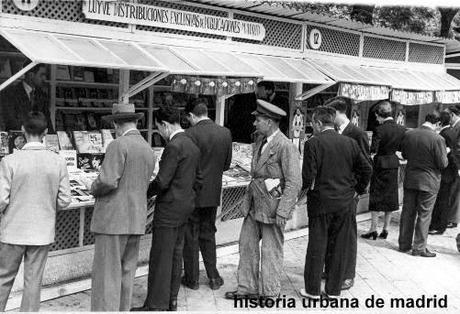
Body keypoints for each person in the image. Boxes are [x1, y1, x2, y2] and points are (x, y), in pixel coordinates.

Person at [225, 99, 301, 300]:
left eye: (258, 120)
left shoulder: (286, 147)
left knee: (270, 251)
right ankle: (246, 288)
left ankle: (270, 292)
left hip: (273, 209)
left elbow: (294, 182)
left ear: (269, 122)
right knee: (247, 247)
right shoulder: (259, 141)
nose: (254, 123)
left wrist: (284, 211)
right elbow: (256, 175)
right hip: (254, 206)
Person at [132, 106, 202, 311]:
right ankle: (171, 300)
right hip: (185, 208)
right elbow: (199, 180)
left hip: (169, 209)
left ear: (164, 125)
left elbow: (162, 181)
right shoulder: (191, 144)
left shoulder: (174, 146)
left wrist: (142, 192)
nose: (159, 134)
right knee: (175, 255)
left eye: (158, 129)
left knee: (161, 257)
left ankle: (155, 304)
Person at [0, 112, 70, 312]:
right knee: (33, 282)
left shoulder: (10, 161)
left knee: (3, 278)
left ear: (22, 130)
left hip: (12, 231)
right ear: (46, 132)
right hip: (42, 232)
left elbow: (1, 200)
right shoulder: (58, 161)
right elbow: (65, 200)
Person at [88, 103, 155, 311]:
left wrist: (92, 186)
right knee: (127, 273)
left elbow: (108, 181)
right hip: (136, 219)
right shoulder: (147, 148)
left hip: (112, 219)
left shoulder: (118, 145)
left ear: (117, 124)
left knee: (107, 275)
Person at [301, 106, 372, 299]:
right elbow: (366, 169)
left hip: (320, 202)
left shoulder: (312, 144)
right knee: (340, 245)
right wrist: (357, 190)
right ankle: (333, 290)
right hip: (345, 202)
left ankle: (313, 290)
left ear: (317, 123)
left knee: (317, 243)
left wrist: (304, 192)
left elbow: (308, 177)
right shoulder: (350, 143)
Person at [181, 98, 232, 291]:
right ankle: (213, 277)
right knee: (208, 233)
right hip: (212, 193)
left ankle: (192, 279)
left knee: (191, 235)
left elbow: (186, 165)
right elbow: (226, 165)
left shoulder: (189, 134)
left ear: (192, 116)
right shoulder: (225, 132)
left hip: (192, 192)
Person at [325, 96, 371, 291]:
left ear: (337, 113)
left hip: (348, 192)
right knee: (331, 233)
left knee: (347, 235)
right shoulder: (334, 132)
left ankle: (347, 274)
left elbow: (366, 166)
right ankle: (331, 269)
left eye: (329, 114)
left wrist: (358, 190)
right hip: (334, 192)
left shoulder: (357, 133)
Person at [398, 113, 448, 257]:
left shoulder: (410, 134)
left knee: (407, 213)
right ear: (437, 123)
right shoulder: (438, 139)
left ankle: (404, 244)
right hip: (429, 181)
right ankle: (419, 248)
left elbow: (405, 155)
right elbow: (443, 163)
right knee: (424, 215)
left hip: (411, 179)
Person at [362, 100, 406, 240]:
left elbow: (373, 149)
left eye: (376, 116)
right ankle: (385, 229)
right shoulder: (401, 129)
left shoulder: (379, 129)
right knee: (390, 197)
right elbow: (401, 148)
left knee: (376, 196)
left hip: (380, 164)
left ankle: (373, 228)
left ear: (379, 114)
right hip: (393, 163)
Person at [0, 61, 53, 132]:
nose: (44, 78)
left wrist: (53, 138)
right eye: (41, 75)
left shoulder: (42, 95)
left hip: (38, 139)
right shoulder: (10, 93)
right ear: (31, 75)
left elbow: (48, 121)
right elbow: (10, 120)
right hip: (17, 138)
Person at [429, 111, 457, 235]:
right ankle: (441, 224)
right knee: (445, 199)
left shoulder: (444, 135)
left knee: (441, 199)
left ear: (440, 123)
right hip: (451, 171)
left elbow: (443, 155)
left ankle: (438, 225)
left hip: (445, 171)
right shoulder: (452, 132)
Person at [445, 105, 460, 229]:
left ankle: (452, 219)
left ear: (453, 115)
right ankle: (452, 218)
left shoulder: (458, 127)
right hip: (453, 164)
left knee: (455, 192)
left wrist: (450, 151)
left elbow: (458, 148)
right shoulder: (454, 126)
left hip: (456, 165)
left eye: (448, 116)